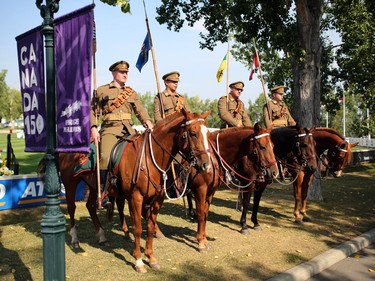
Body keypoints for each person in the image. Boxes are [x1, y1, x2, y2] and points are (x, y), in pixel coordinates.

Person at [90, 60, 153, 208]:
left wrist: (148, 122)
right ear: (114, 73)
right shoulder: (102, 90)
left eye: (126, 73)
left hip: (129, 131)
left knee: (142, 155)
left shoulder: (131, 93)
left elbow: (140, 110)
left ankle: (139, 188)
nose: (125, 75)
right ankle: (104, 192)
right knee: (105, 156)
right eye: (122, 72)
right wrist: (93, 127)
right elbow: (93, 111)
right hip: (110, 130)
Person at [153, 71, 191, 195]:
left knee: (184, 159)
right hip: (166, 134)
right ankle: (169, 185)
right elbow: (157, 118)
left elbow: (189, 116)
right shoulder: (159, 97)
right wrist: (165, 127)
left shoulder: (181, 99)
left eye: (177, 82)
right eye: (173, 82)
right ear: (166, 82)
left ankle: (181, 184)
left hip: (180, 134)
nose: (176, 84)